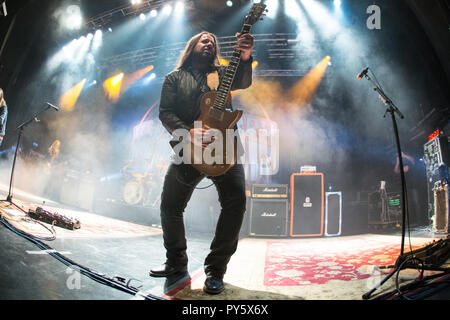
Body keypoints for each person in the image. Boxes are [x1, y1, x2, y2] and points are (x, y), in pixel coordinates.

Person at [149, 31, 255, 295]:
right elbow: (165, 112)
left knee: (235, 203)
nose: (209, 43)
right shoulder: (173, 78)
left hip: (224, 147)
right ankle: (176, 263)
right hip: (190, 148)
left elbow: (243, 80)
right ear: (192, 46)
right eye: (203, 40)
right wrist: (187, 132)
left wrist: (245, 56)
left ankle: (216, 270)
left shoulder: (222, 74)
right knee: (170, 206)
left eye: (213, 42)